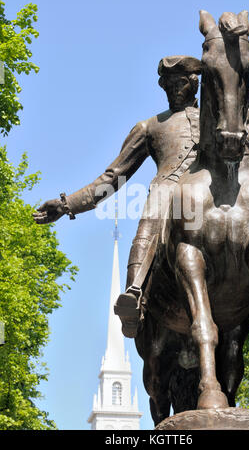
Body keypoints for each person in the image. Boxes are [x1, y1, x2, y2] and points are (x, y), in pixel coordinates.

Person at [33, 55, 202, 337]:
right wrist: (66, 205)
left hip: (209, 193)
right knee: (152, 214)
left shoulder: (218, 121)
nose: (174, 90)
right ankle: (134, 295)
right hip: (168, 192)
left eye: (180, 83)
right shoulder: (149, 127)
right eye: (168, 85)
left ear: (194, 83)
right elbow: (112, 178)